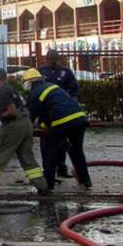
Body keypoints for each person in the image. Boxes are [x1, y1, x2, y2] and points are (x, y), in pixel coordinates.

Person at [0, 68, 49, 196]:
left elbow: (12, 111)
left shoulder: (2, 92)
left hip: (14, 126)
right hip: (26, 124)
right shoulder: (12, 89)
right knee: (27, 157)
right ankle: (42, 186)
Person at [21, 68, 91, 191]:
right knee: (77, 152)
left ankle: (48, 184)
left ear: (29, 82)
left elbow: (30, 116)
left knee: (51, 153)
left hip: (62, 123)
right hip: (79, 119)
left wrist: (26, 131)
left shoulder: (34, 93)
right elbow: (49, 110)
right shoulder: (52, 86)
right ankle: (86, 181)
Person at [38, 49, 81, 180]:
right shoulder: (41, 72)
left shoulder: (65, 72)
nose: (52, 63)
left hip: (61, 112)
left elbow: (75, 90)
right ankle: (47, 169)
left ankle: (61, 168)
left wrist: (72, 103)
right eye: (50, 60)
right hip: (46, 112)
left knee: (62, 141)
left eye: (54, 60)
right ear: (46, 59)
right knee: (45, 140)